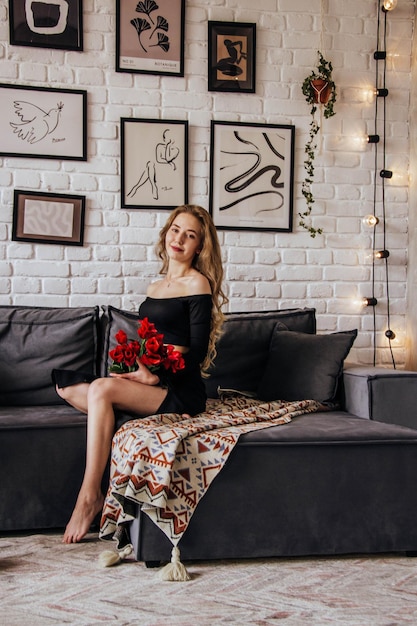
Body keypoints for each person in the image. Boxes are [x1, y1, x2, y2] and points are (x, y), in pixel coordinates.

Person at [53, 204, 227, 544]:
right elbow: (151, 341)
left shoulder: (199, 283)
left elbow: (197, 351)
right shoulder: (156, 284)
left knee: (99, 391)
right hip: (153, 379)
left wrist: (152, 375)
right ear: (167, 233)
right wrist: (138, 368)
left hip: (180, 388)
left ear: (199, 247)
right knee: (69, 388)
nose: (179, 239)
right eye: (176, 230)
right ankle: (114, 417)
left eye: (190, 235)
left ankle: (90, 497)